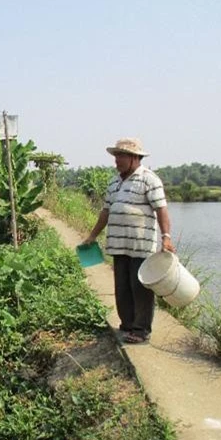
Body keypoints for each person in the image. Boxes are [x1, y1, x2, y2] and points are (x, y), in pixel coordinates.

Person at [82, 138, 175, 344]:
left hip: (140, 246)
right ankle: (127, 324)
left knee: (139, 287)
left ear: (135, 158)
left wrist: (166, 237)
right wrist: (92, 236)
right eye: (116, 156)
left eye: (121, 156)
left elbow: (161, 209)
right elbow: (106, 211)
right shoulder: (114, 182)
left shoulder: (149, 179)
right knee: (122, 287)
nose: (117, 161)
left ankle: (141, 330)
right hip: (118, 245)